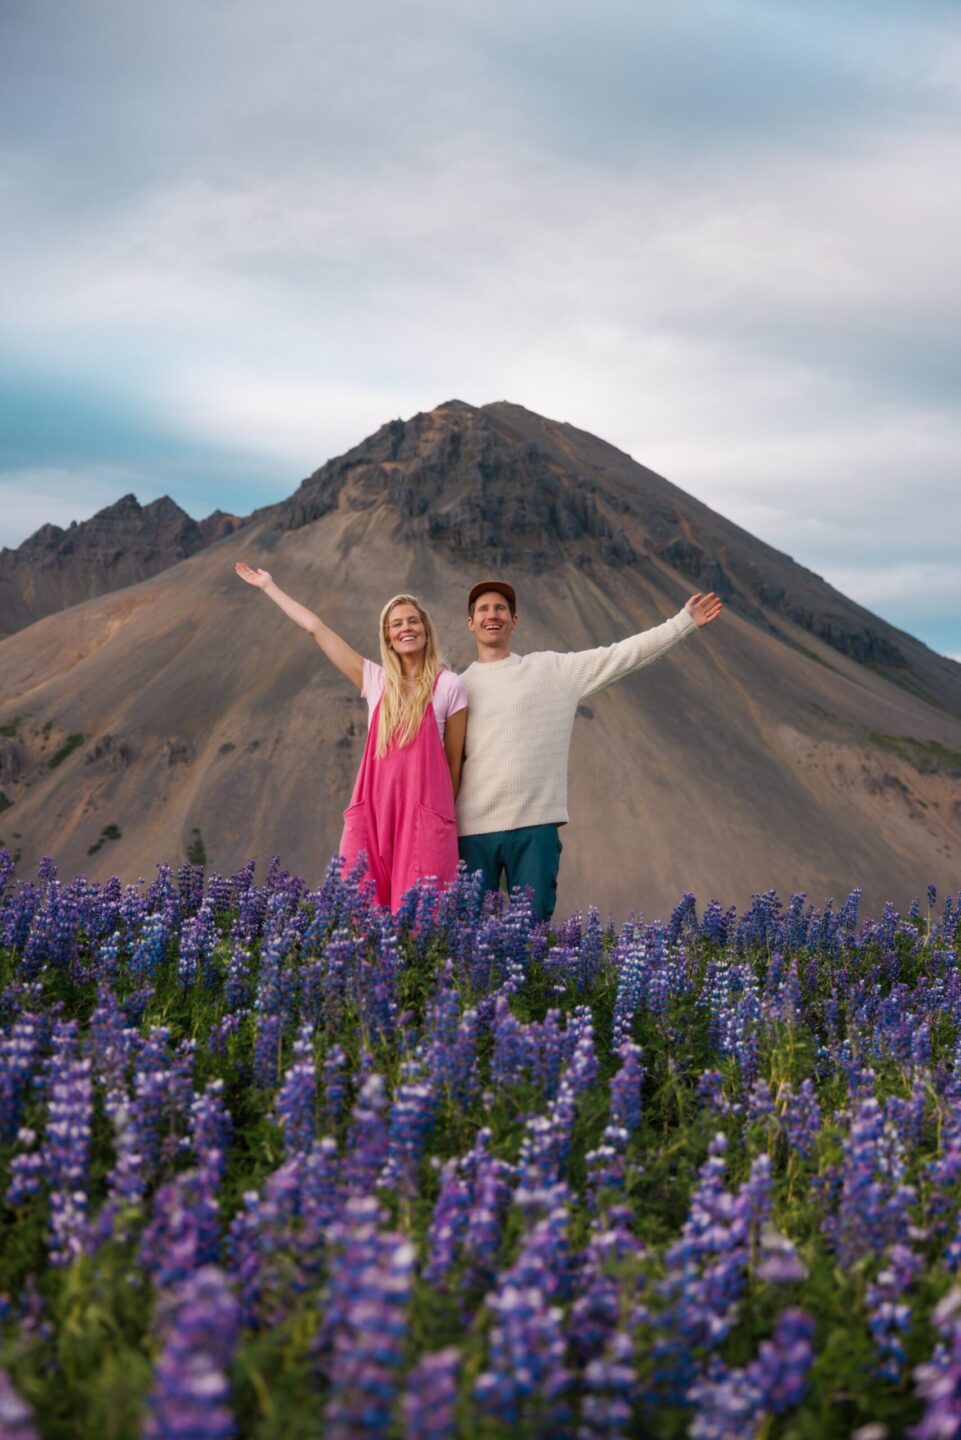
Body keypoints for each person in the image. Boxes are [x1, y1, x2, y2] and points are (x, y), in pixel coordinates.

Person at [456, 581, 722, 921]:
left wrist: (682, 624)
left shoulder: (551, 671)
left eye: (500, 608)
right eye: (483, 609)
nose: (492, 615)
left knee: (531, 934)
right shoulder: (456, 686)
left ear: (514, 620)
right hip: (473, 831)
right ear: (471, 622)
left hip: (535, 827)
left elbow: (620, 656)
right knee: (469, 939)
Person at [234, 563, 467, 910]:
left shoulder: (449, 685)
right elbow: (316, 629)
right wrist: (270, 587)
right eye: (397, 624)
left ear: (426, 630)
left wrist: (440, 820)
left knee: (423, 918)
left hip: (425, 817)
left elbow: (453, 762)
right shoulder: (375, 680)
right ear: (388, 636)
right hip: (373, 812)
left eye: (413, 621)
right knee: (361, 911)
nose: (407, 628)